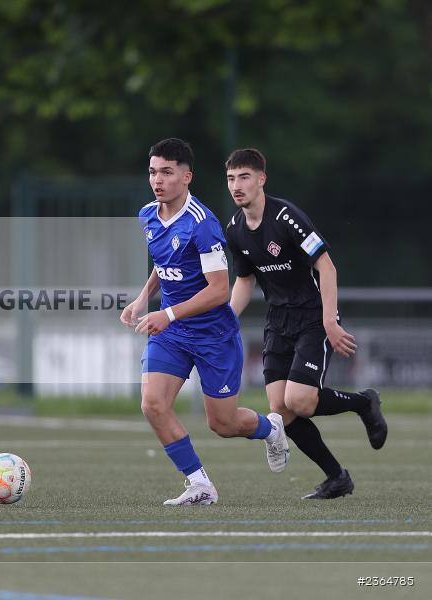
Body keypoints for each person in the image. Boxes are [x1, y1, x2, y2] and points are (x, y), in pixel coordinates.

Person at [120, 138, 289, 507]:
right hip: (172, 334)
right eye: (152, 172)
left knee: (223, 425)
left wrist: (167, 313)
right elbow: (165, 265)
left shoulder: (203, 225)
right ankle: (199, 484)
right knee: (153, 404)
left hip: (213, 336)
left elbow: (218, 290)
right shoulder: (148, 215)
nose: (157, 180)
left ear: (187, 176)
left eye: (167, 172)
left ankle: (271, 427)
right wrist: (142, 298)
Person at [224, 148, 387, 499]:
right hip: (278, 320)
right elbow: (245, 280)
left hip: (313, 317)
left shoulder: (287, 217)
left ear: (261, 179)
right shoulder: (235, 229)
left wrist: (329, 320)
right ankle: (337, 477)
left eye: (244, 177)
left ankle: (364, 403)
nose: (237, 185)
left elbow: (326, 267)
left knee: (299, 400)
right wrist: (225, 320)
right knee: (280, 409)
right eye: (231, 178)